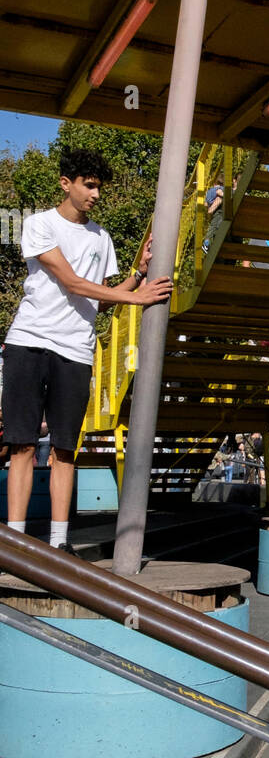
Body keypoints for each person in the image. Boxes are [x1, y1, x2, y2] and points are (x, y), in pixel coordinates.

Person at [2, 147, 172, 549]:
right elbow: (72, 283)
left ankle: (59, 544)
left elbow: (103, 297)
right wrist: (140, 298)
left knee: (65, 448)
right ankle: (16, 541)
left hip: (76, 351)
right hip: (29, 341)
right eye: (89, 185)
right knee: (23, 444)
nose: (96, 194)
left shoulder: (102, 237)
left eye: (99, 187)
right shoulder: (38, 225)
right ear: (67, 184)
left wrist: (137, 276)